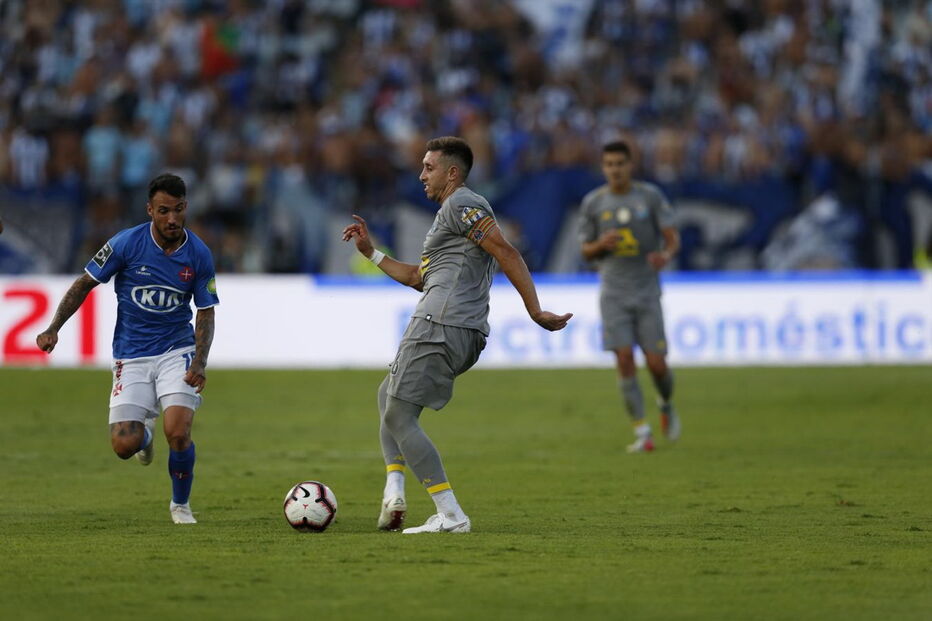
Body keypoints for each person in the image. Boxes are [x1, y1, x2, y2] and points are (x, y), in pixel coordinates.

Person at [342, 136, 572, 534]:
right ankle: (394, 491)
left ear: (452, 172)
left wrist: (534, 310)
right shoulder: (449, 216)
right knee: (388, 396)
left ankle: (450, 514)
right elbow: (417, 277)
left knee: (397, 413)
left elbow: (506, 251)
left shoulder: (463, 204)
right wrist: (372, 254)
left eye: (428, 167)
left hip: (440, 323)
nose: (421, 175)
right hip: (458, 326)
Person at [36, 173, 218, 524]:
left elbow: (206, 312)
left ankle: (180, 505)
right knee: (124, 446)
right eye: (164, 210)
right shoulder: (125, 244)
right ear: (150, 209)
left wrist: (199, 360)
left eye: (179, 210)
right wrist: (53, 328)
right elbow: (84, 284)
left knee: (178, 431)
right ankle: (144, 435)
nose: (172, 219)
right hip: (131, 355)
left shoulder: (198, 254)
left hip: (175, 351)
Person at [580, 140, 681, 453]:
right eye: (609, 164)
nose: (615, 170)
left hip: (647, 291)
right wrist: (601, 245)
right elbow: (585, 250)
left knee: (657, 364)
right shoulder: (594, 203)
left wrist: (665, 255)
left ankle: (665, 401)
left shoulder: (649, 197)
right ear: (603, 168)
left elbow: (671, 239)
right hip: (613, 293)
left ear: (630, 166)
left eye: (620, 164)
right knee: (624, 359)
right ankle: (642, 432)